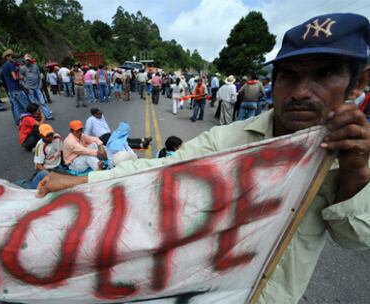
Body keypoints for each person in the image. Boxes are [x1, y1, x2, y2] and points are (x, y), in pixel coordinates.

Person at [37, 13, 370, 304]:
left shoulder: (356, 154)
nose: (300, 91)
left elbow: (354, 238)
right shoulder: (228, 140)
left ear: (358, 84)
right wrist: (83, 183)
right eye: (289, 76)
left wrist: (355, 171)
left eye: (325, 75)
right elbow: (159, 170)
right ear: (274, 80)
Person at [85, 108, 153, 149]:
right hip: (103, 138)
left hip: (109, 134)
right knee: (120, 143)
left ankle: (143, 139)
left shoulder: (101, 116)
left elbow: (105, 126)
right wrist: (85, 142)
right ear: (93, 114)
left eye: (101, 113)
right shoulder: (90, 120)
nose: (100, 115)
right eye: (98, 114)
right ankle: (141, 145)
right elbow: (86, 132)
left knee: (125, 138)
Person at [20, 54, 53, 120]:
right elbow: (20, 80)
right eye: (26, 60)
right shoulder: (22, 68)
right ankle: (37, 117)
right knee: (34, 104)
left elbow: (39, 76)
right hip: (30, 89)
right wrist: (25, 86)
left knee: (42, 102)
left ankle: (48, 116)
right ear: (24, 60)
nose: (27, 62)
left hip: (37, 87)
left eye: (29, 60)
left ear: (31, 60)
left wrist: (40, 85)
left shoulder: (35, 66)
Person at [1, 49, 29, 125]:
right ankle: (30, 120)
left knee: (16, 106)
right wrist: (21, 77)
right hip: (16, 88)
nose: (12, 57)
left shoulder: (3, 66)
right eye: (10, 56)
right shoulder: (11, 64)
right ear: (7, 57)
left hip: (10, 90)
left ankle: (18, 121)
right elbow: (14, 77)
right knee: (25, 104)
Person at [30, 124, 63, 189]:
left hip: (58, 164)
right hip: (48, 168)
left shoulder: (57, 138)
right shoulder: (40, 146)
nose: (50, 137)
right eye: (47, 135)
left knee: (69, 179)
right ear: (41, 135)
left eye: (51, 134)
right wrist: (50, 175)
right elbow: (38, 165)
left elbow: (61, 151)